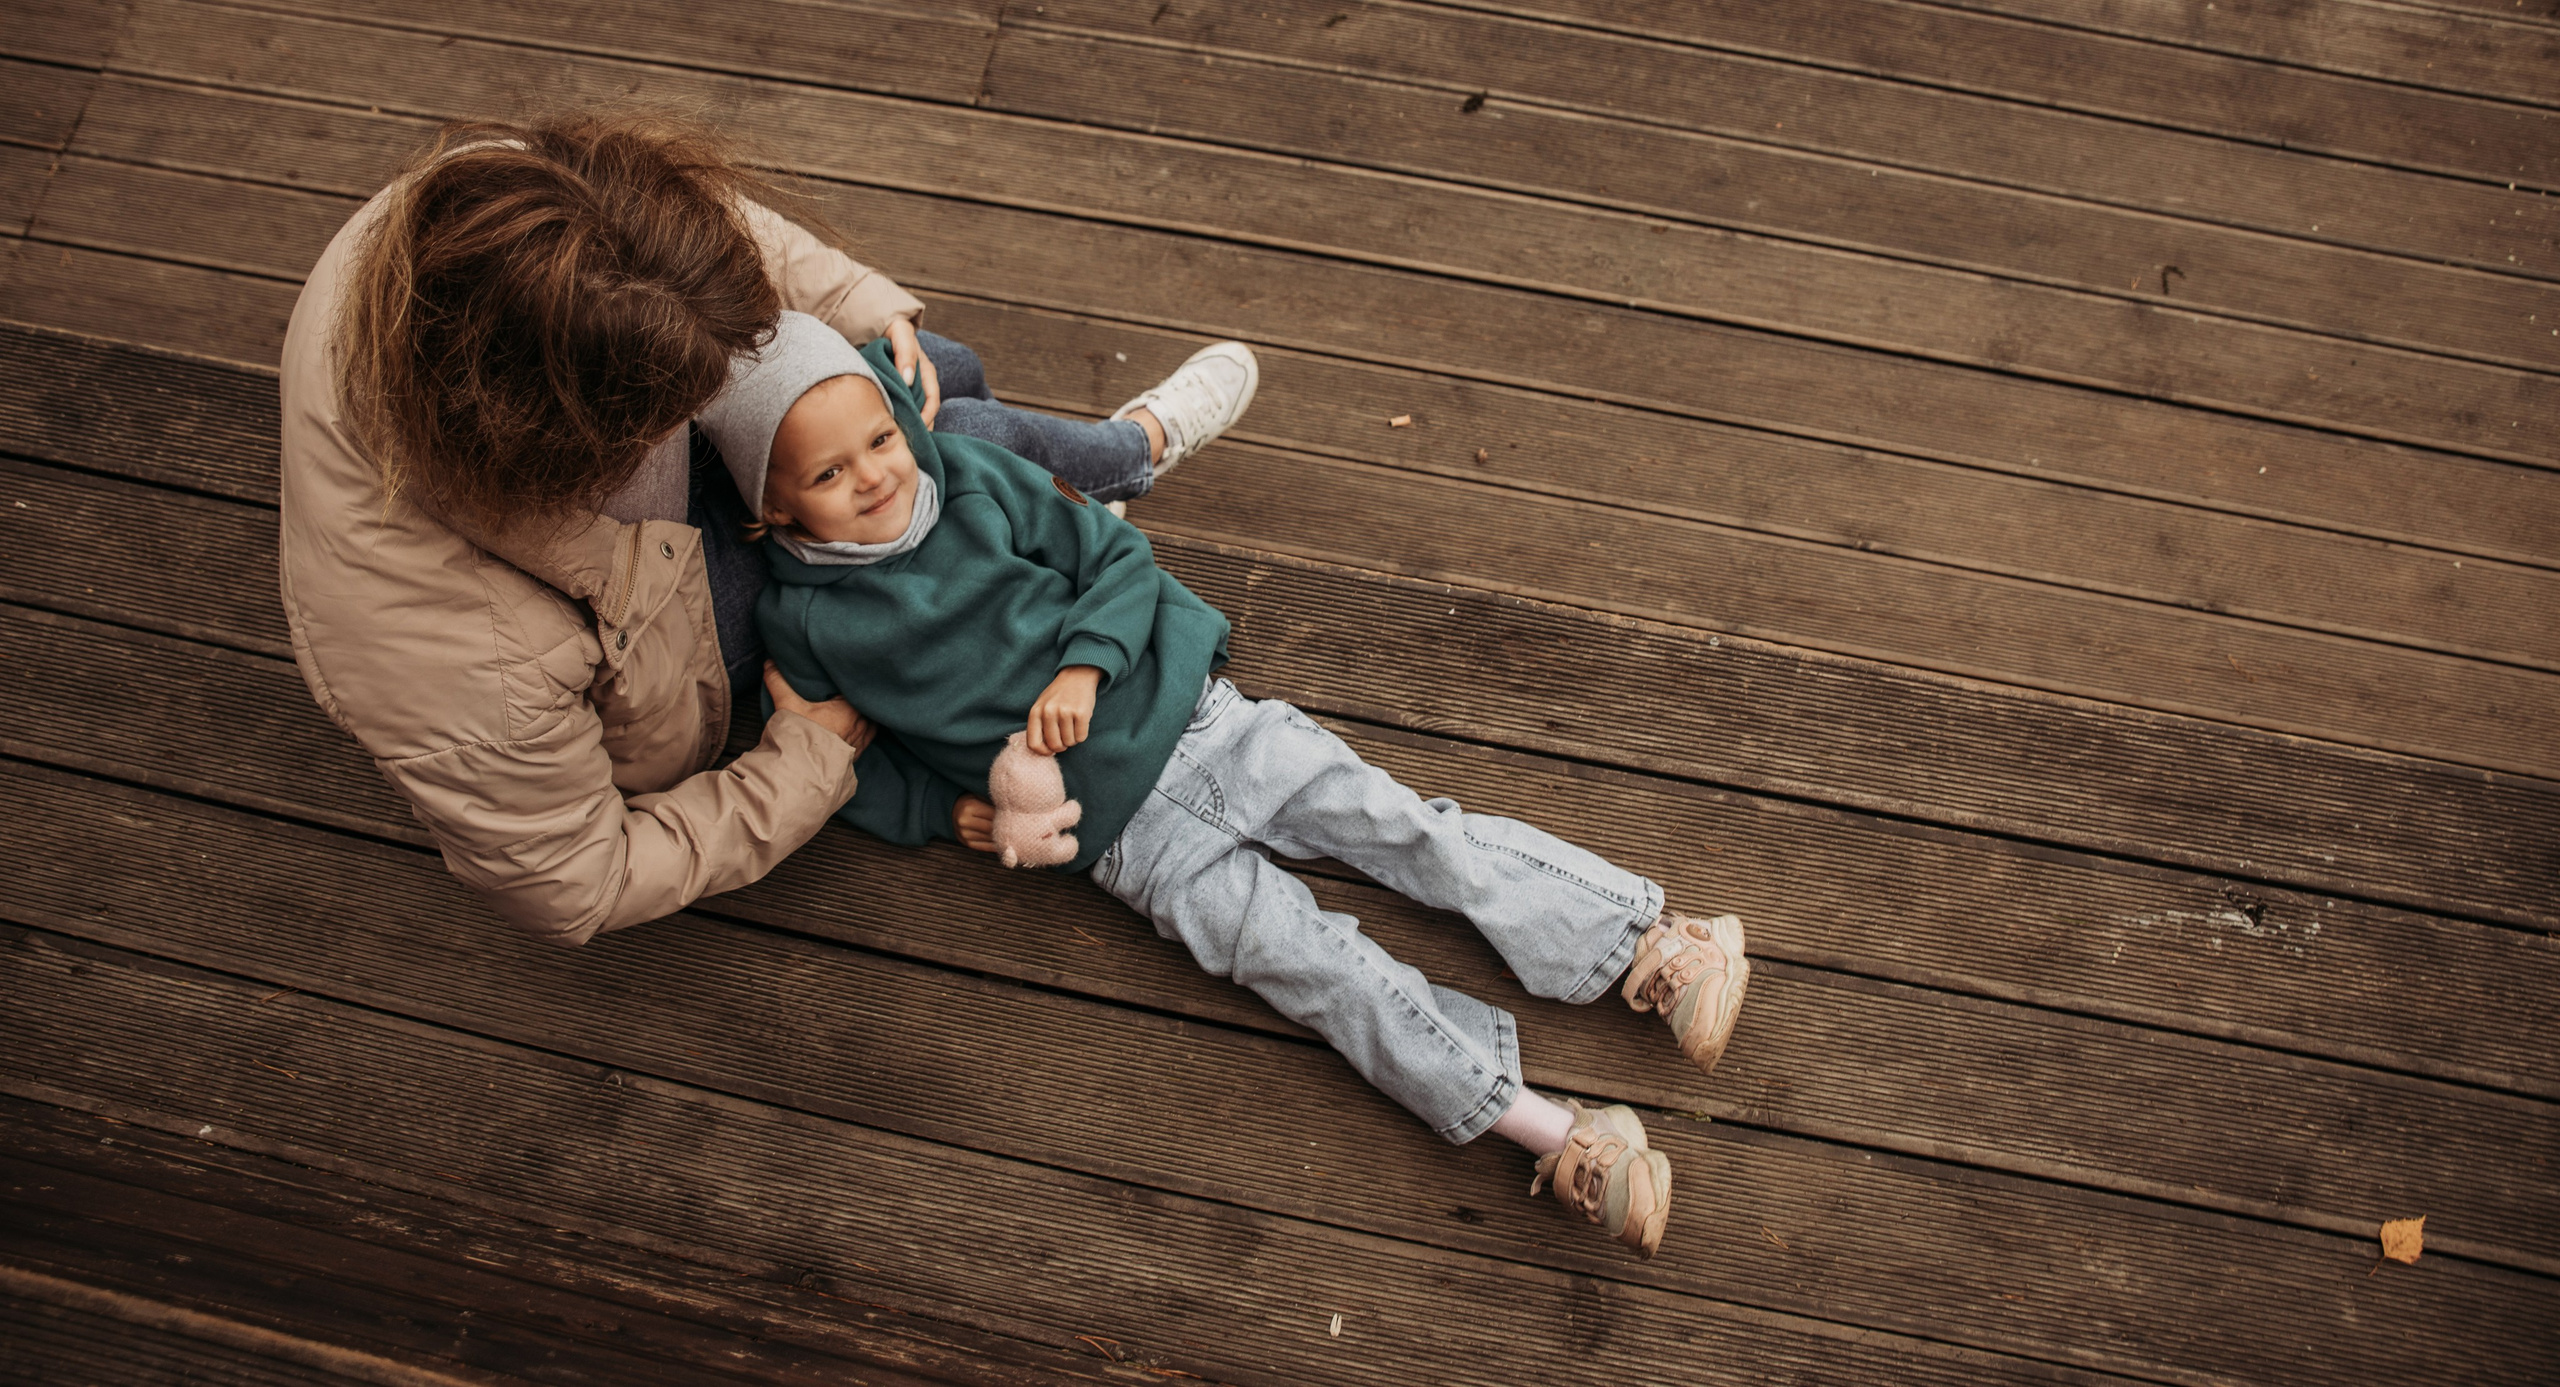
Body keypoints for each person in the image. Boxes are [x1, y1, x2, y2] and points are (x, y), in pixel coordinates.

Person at [702, 313, 1751, 1258]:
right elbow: (847, 766)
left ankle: (1651, 942)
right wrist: (944, 810)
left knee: (1409, 834)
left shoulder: (976, 479)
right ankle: (1562, 1137)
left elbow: (1116, 559)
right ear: (770, 508)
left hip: (1203, 723)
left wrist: (1085, 666)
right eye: (829, 473)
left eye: (881, 438)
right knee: (1321, 975)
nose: (875, 475)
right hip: (1125, 846)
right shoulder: (804, 628)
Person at [278, 112, 1259, 947]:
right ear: (582, 440)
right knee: (943, 451)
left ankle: (1098, 471)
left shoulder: (509, 199)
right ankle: (1097, 478)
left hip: (618, 482)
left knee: (926, 378)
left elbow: (690, 236)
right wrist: (803, 757)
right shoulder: (457, 657)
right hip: (630, 640)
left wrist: (852, 309)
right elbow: (576, 880)